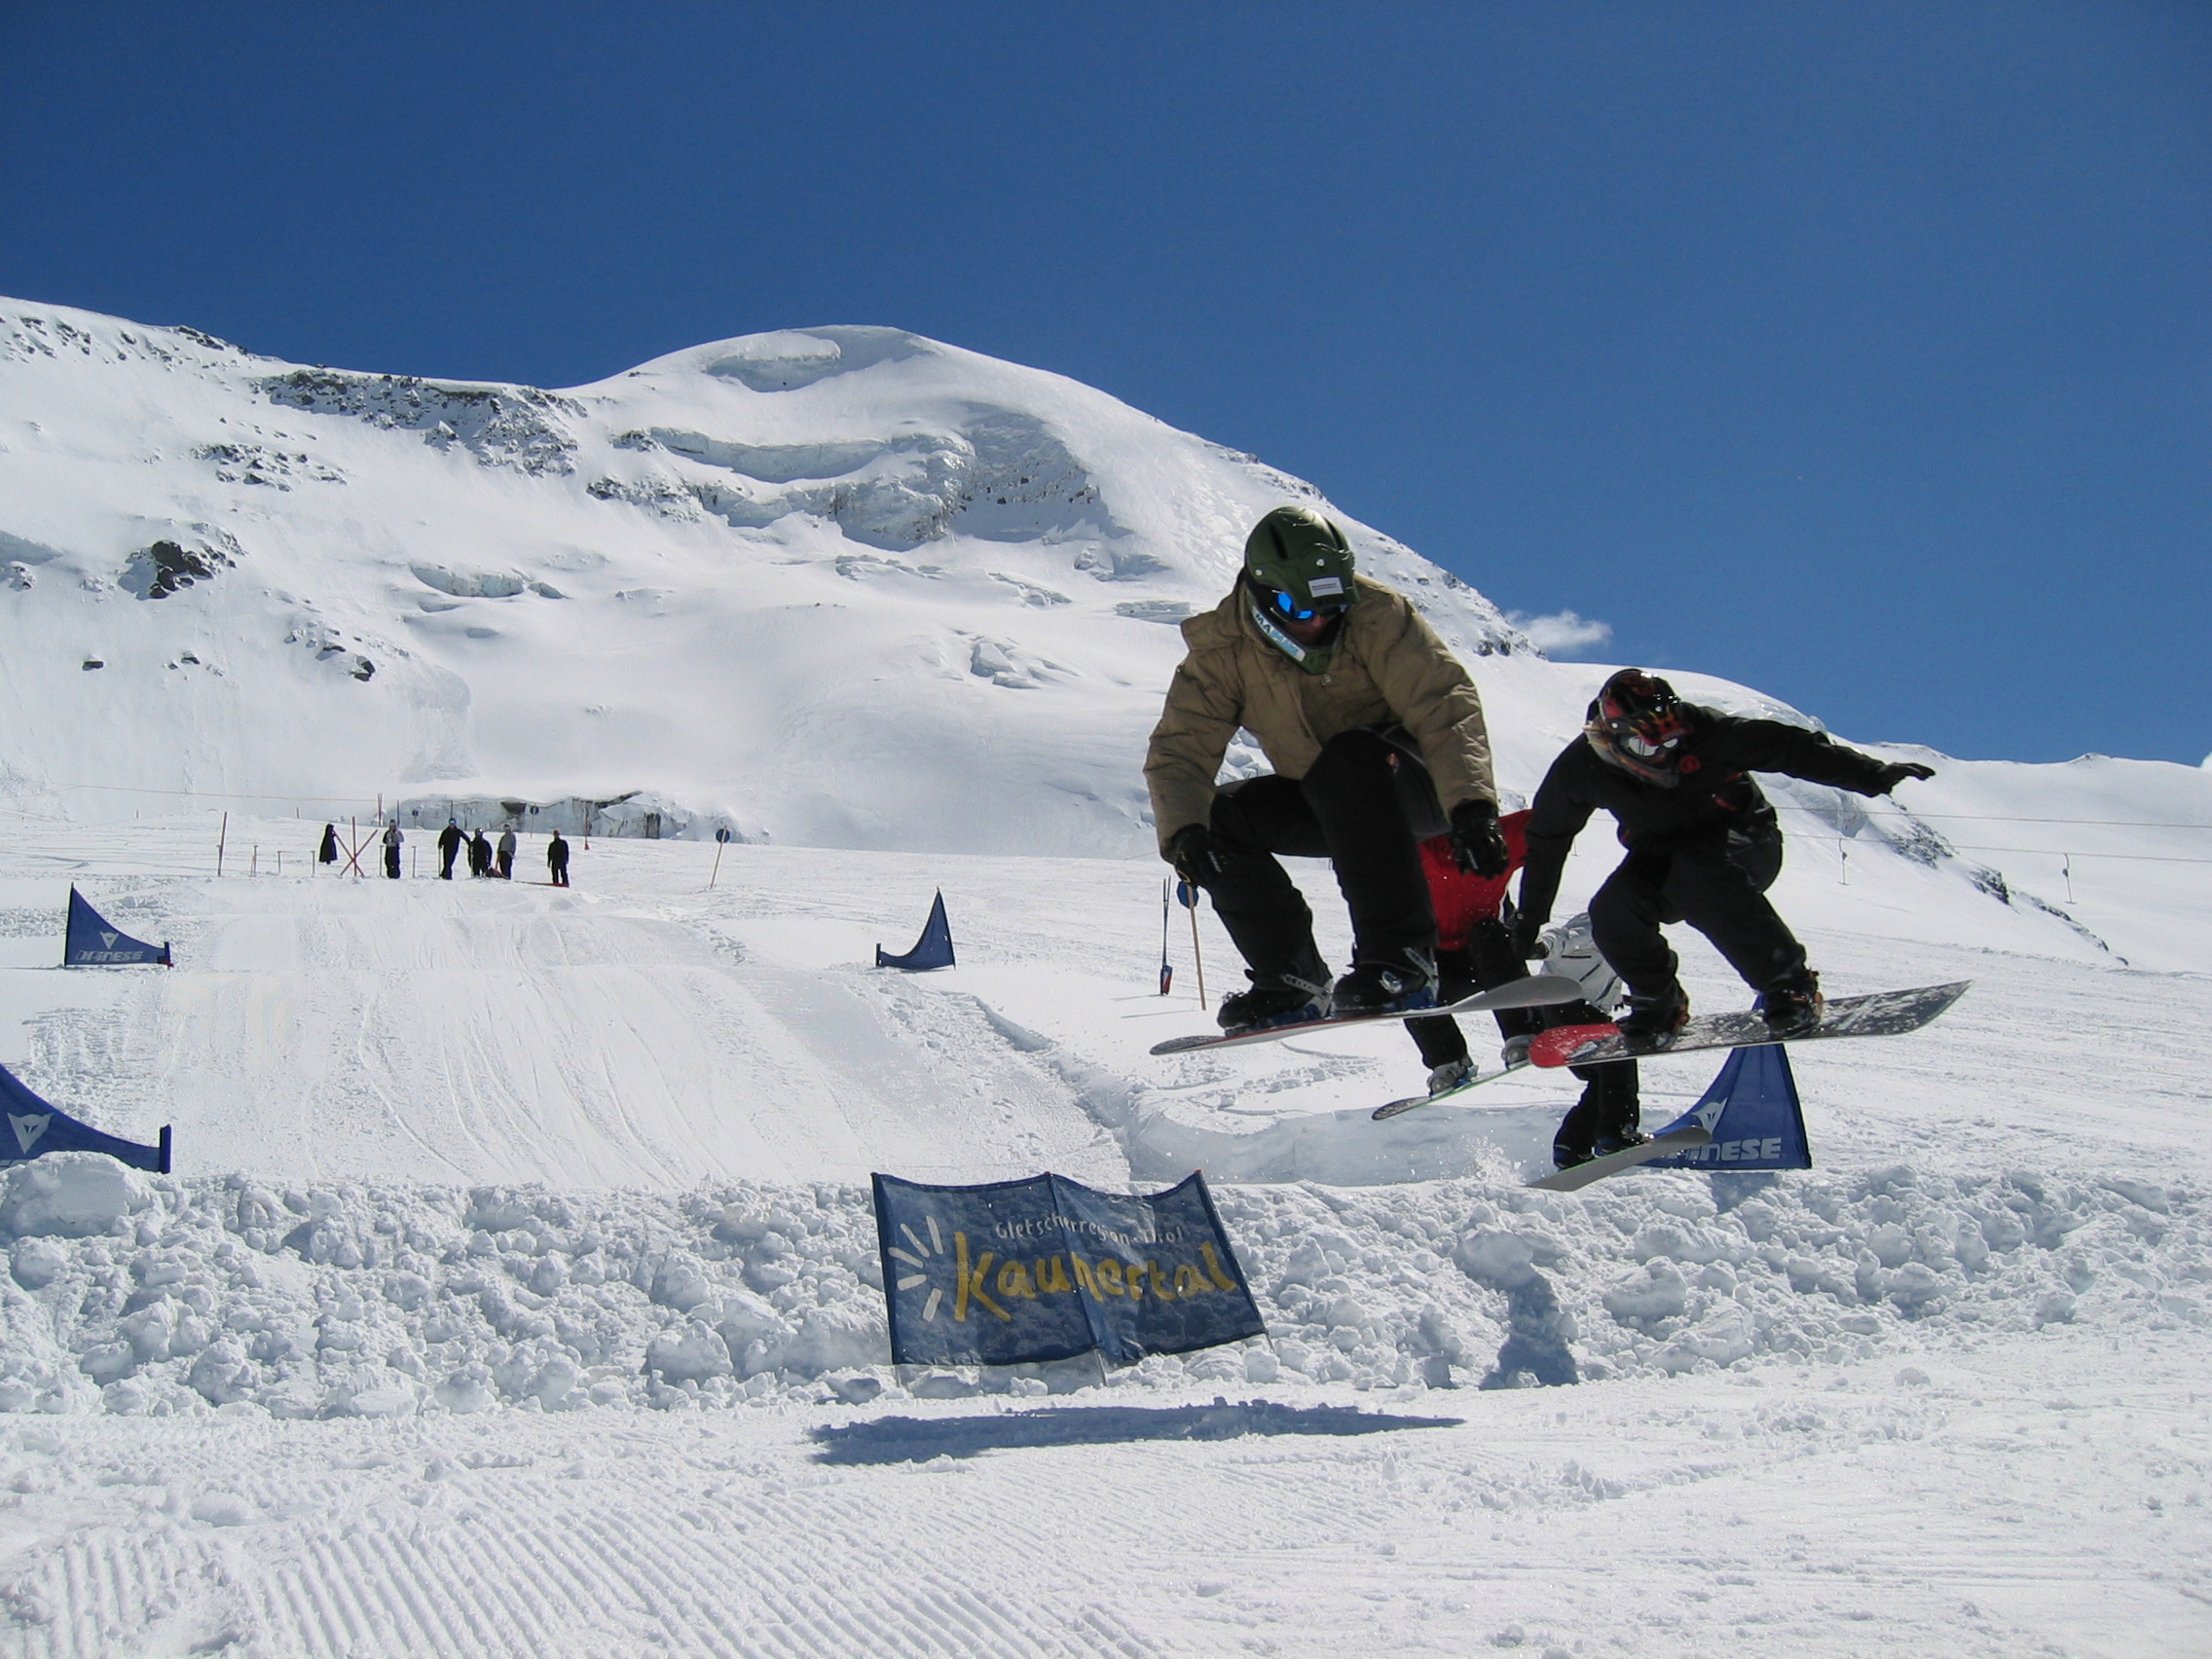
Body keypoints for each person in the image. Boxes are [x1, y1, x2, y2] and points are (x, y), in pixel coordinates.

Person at [1145, 505, 1510, 1032]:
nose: (1317, 620)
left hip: (1414, 786)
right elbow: (1181, 750)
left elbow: (1443, 704)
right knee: (1217, 817)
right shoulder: (1223, 653)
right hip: (1327, 799)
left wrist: (1472, 805)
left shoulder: (1378, 617)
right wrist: (1184, 833)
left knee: (1348, 756)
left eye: (1331, 603)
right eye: (1295, 606)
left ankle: (1403, 959)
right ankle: (1291, 980)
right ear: (1261, 592)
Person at [1513, 669, 1936, 1046]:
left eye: (1673, 739)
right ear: (1612, 738)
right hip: (1661, 855)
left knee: (1694, 872)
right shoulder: (1582, 767)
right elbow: (1548, 839)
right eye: (1646, 745)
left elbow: (1790, 748)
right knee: (1612, 910)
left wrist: (1871, 775)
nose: (1664, 753)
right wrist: (1531, 919)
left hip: (1745, 842)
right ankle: (1659, 1002)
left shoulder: (1707, 731)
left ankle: (1790, 986)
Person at [1402, 814, 1644, 1168]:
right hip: (1556, 1003)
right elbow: (1563, 937)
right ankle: (1452, 1058)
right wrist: (1539, 947)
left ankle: (1575, 1146)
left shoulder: (1632, 937)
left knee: (1606, 1072)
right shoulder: (1601, 921)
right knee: (1410, 971)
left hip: (1501, 970)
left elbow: (1557, 812)